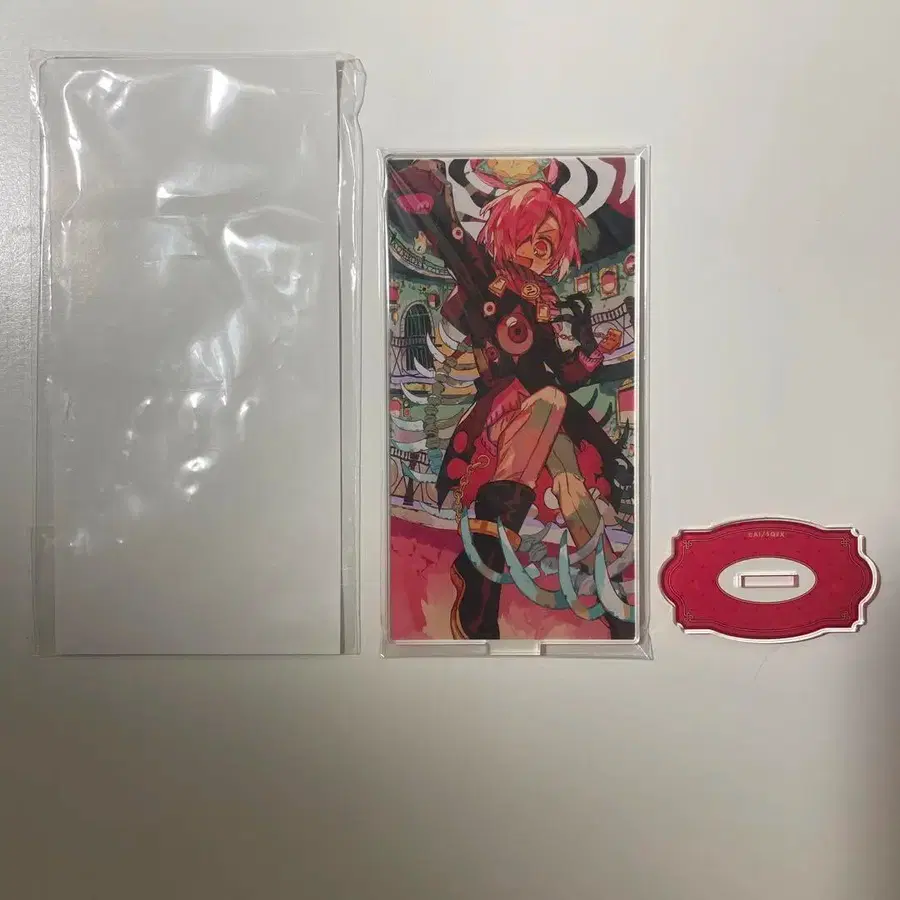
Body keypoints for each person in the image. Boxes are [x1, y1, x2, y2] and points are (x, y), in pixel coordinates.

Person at [388, 159, 634, 640]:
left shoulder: (545, 301)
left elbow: (562, 372)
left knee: (573, 487)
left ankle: (610, 602)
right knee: (550, 403)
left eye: (549, 243)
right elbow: (455, 243)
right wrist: (428, 189)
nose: (540, 250)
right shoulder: (488, 279)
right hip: (503, 412)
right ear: (508, 232)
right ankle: (481, 571)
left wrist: (591, 357)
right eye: (531, 236)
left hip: (547, 413)